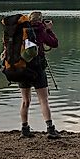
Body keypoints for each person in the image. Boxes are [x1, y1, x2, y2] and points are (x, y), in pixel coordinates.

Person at [17, 11, 61, 139]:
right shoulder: (41, 30)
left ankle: (24, 129)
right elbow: (54, 43)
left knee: (25, 101)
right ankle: (50, 130)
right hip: (37, 68)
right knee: (43, 100)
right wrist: (49, 30)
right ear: (41, 21)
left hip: (23, 69)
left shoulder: (22, 31)